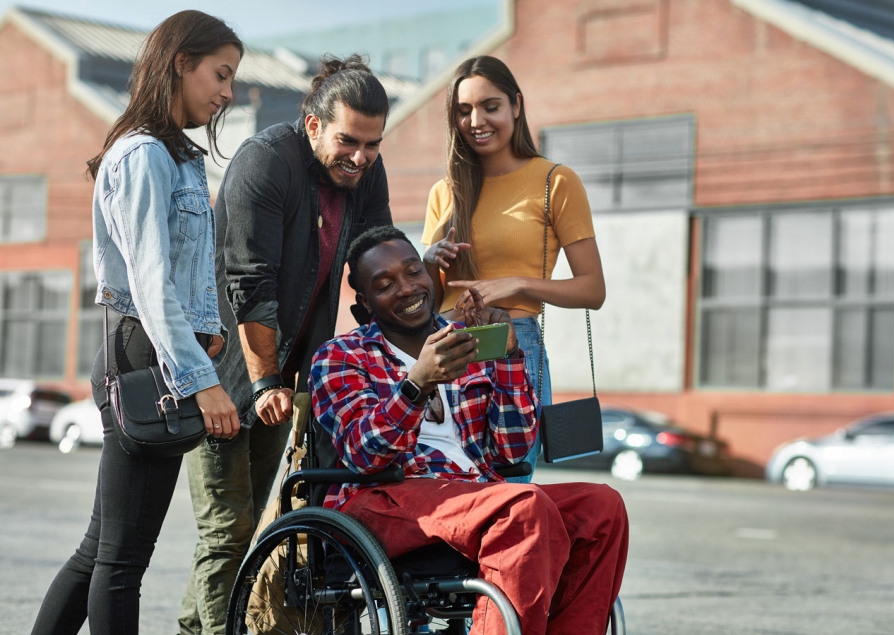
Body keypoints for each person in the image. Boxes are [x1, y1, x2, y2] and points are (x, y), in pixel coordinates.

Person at [31, 11, 242, 635]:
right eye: (220, 74)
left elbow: (180, 277)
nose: (228, 92)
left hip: (150, 351)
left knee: (102, 549)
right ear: (181, 62)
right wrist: (201, 379)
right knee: (123, 560)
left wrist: (212, 327)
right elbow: (151, 285)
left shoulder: (175, 155)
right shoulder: (144, 155)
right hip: (147, 356)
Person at [311, 225, 628, 635]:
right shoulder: (341, 356)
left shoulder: (470, 343)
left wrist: (510, 355)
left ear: (429, 277)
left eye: (413, 272)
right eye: (385, 284)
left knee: (601, 507)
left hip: (473, 496)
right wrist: (417, 383)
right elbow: (365, 456)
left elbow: (512, 454)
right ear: (366, 303)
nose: (407, 288)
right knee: (523, 507)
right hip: (383, 498)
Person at [177, 55, 393, 635]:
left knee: (247, 529)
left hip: (287, 375)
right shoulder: (266, 162)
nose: (362, 157)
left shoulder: (366, 172)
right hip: (222, 372)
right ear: (314, 123)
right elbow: (249, 282)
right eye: (350, 140)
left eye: (373, 144)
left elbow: (379, 258)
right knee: (227, 528)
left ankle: (196, 627)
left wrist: (431, 277)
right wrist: (268, 379)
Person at [421, 56, 606, 483]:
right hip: (445, 350)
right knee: (443, 493)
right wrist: (429, 262)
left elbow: (592, 290)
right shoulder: (444, 191)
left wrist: (517, 283)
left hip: (512, 347)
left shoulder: (554, 182)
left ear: (516, 106)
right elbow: (430, 297)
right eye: (463, 110)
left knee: (508, 494)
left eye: (490, 106)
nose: (476, 120)